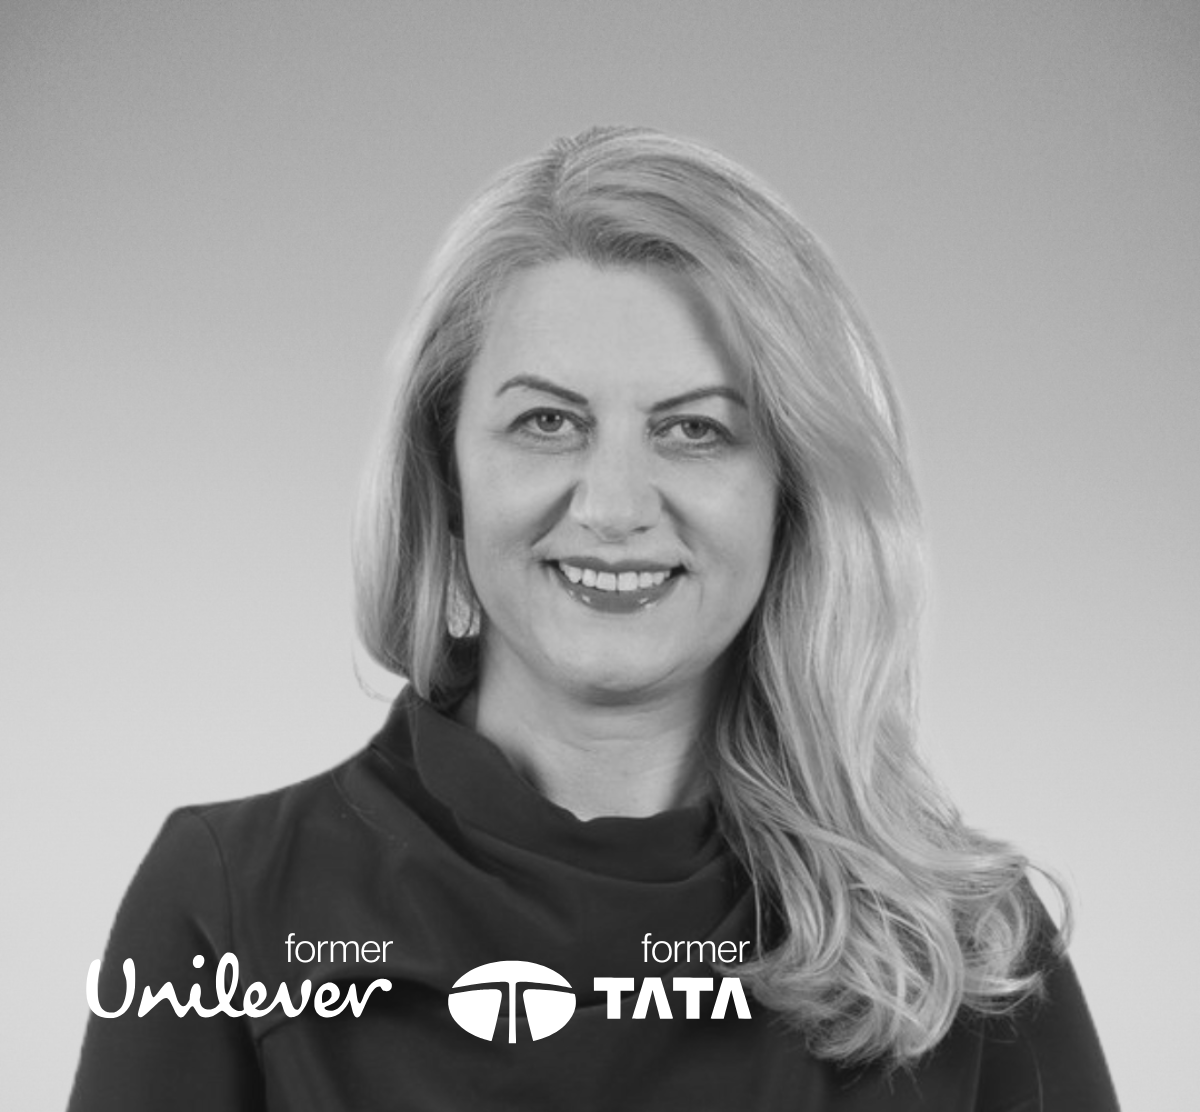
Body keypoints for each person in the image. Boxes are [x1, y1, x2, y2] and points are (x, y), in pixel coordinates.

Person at [69, 126, 1119, 1110]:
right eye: (548, 421)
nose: (614, 505)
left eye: (696, 429)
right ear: (446, 471)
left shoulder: (965, 952)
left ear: (792, 489)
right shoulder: (229, 906)